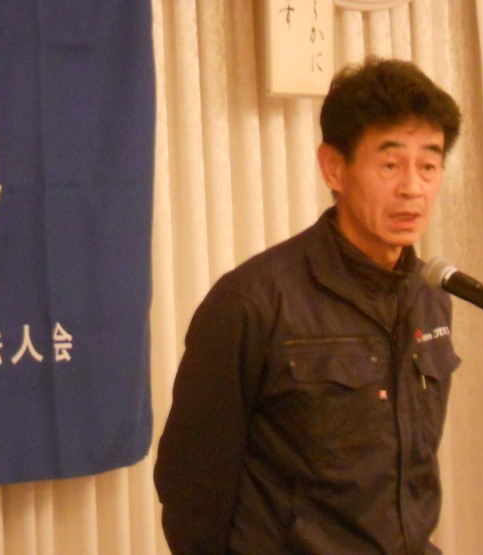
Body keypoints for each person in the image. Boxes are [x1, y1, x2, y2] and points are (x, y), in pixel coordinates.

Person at [154, 56, 463, 554]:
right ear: (333, 168)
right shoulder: (254, 301)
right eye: (390, 164)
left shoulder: (430, 296)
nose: (413, 187)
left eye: (429, 165)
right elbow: (192, 489)